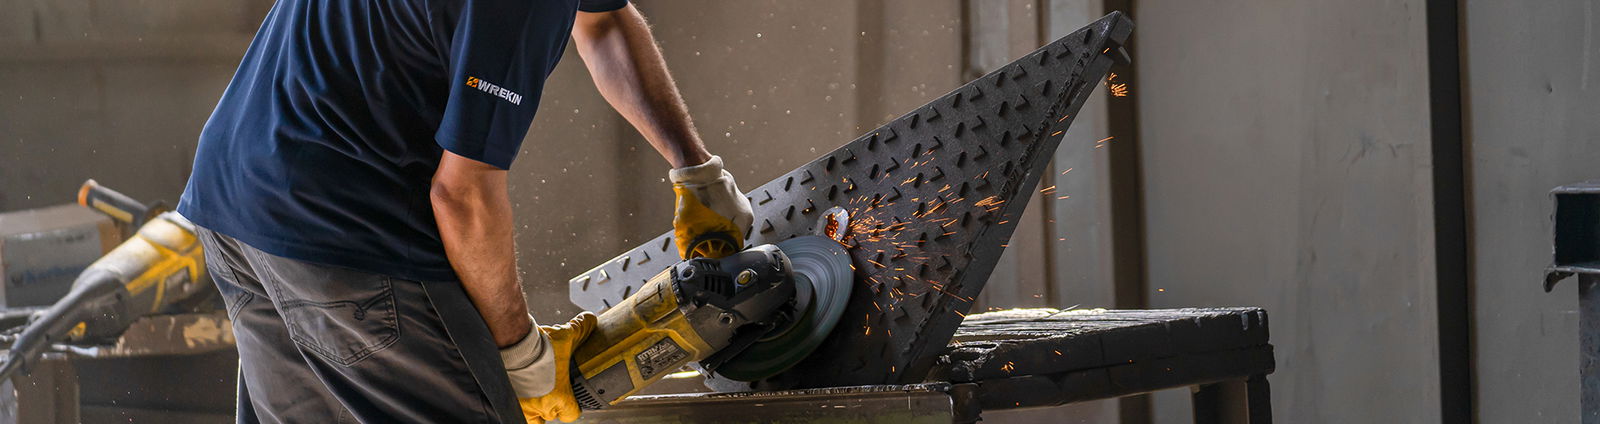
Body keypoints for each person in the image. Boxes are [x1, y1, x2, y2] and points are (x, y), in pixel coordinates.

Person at [177, 0, 753, 422]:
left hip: (234, 202)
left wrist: (696, 169)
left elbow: (601, 20)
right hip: (345, 223)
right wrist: (520, 352)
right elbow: (463, 196)